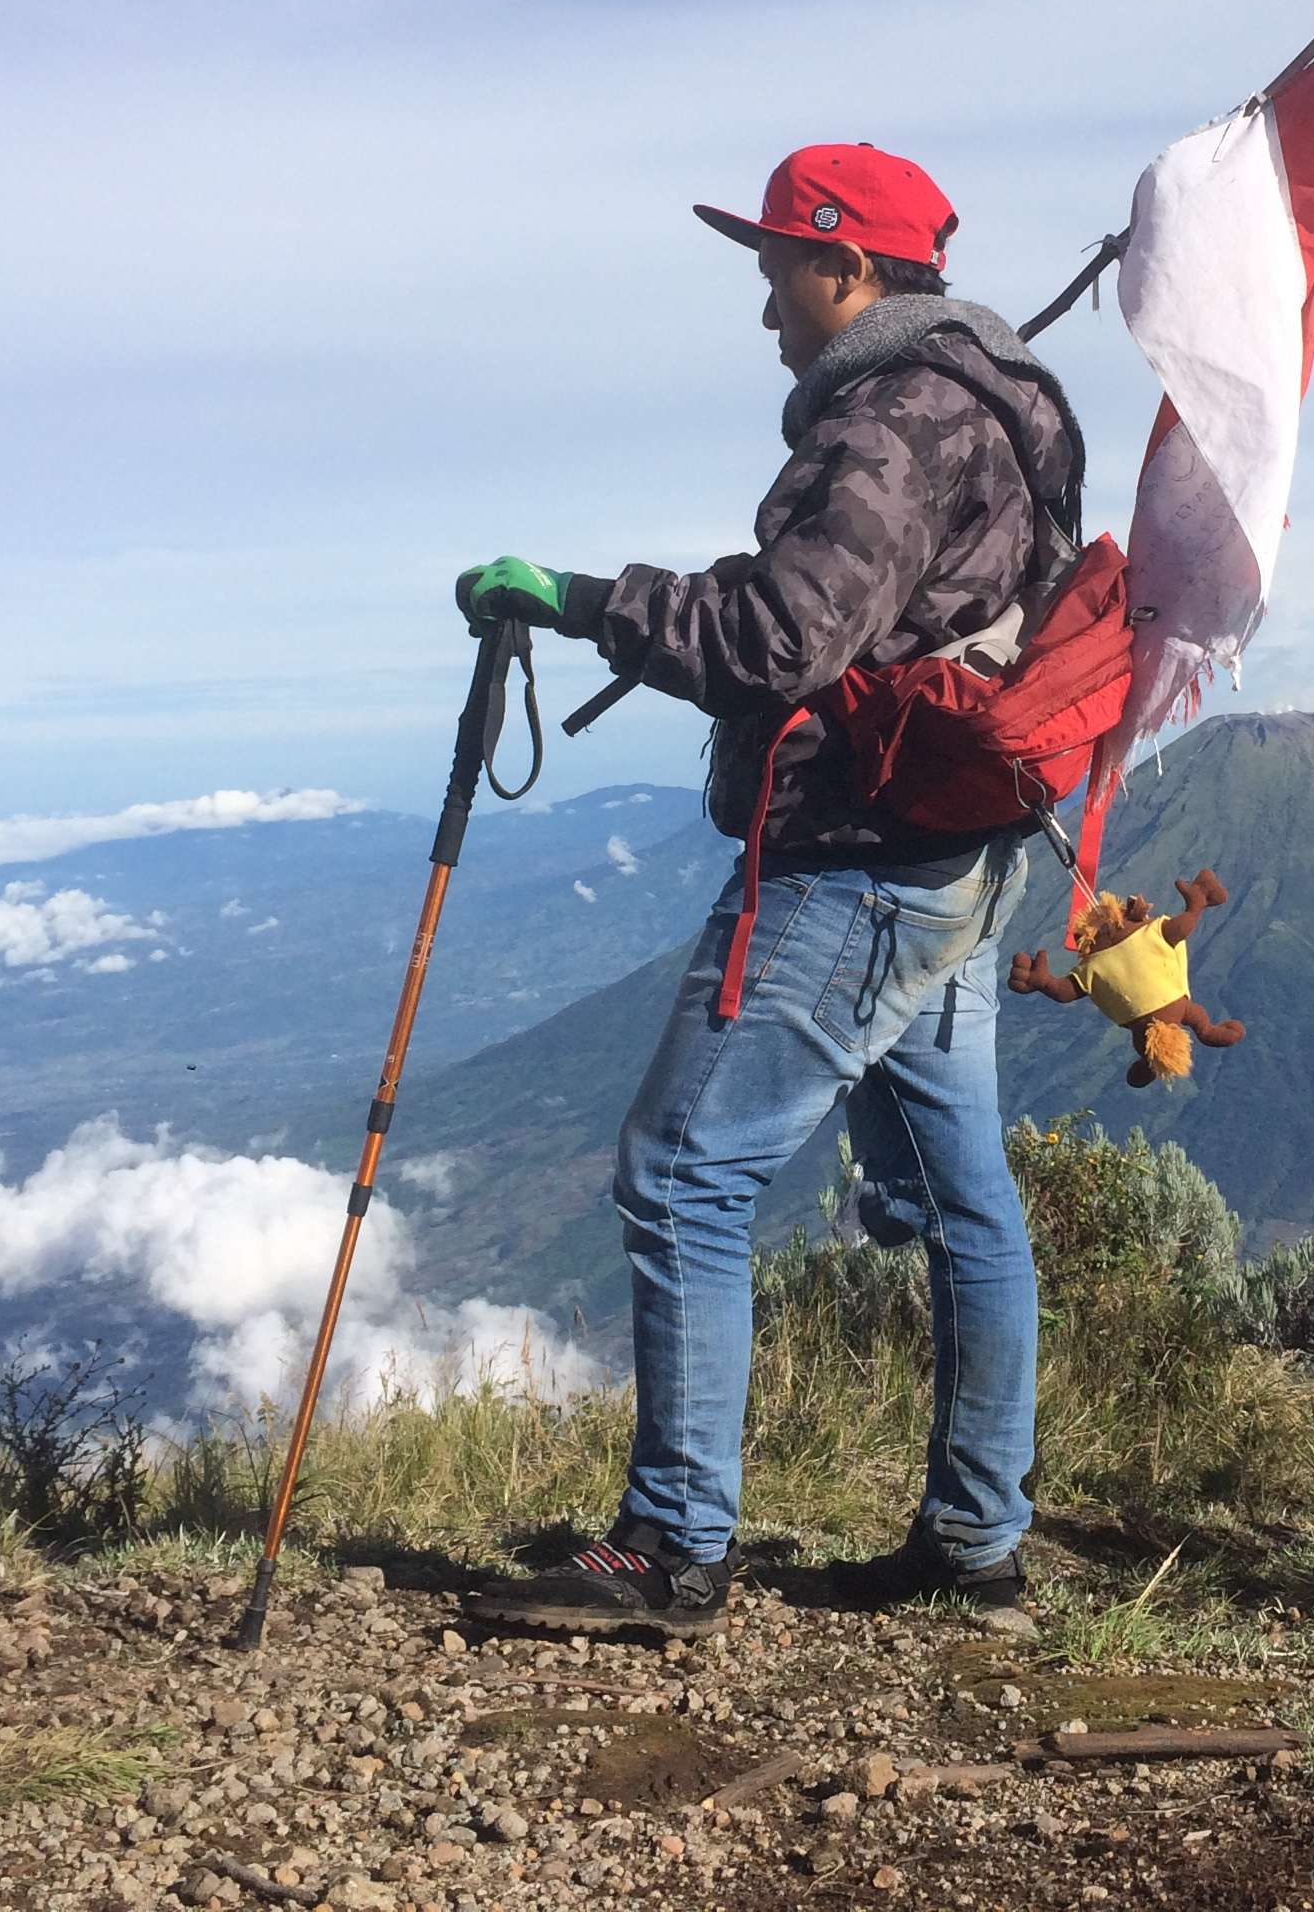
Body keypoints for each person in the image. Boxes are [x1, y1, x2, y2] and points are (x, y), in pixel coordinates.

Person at [449, 142, 1084, 1640]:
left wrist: (590, 599)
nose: (768, 314)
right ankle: (977, 1542)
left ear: (846, 266)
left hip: (855, 865)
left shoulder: (889, 423)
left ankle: (673, 1549)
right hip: (962, 856)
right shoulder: (1011, 408)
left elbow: (781, 638)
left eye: (778, 275)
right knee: (959, 1198)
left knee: (681, 1170)